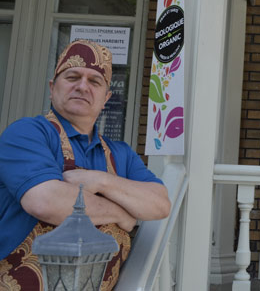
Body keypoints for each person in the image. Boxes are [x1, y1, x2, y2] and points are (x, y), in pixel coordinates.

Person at [0, 39, 171, 291]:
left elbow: (160, 204)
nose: (82, 86)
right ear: (52, 87)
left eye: (94, 81)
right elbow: (45, 201)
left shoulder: (120, 154)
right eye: (72, 77)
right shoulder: (28, 133)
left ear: (106, 98)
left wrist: (101, 181)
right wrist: (123, 213)